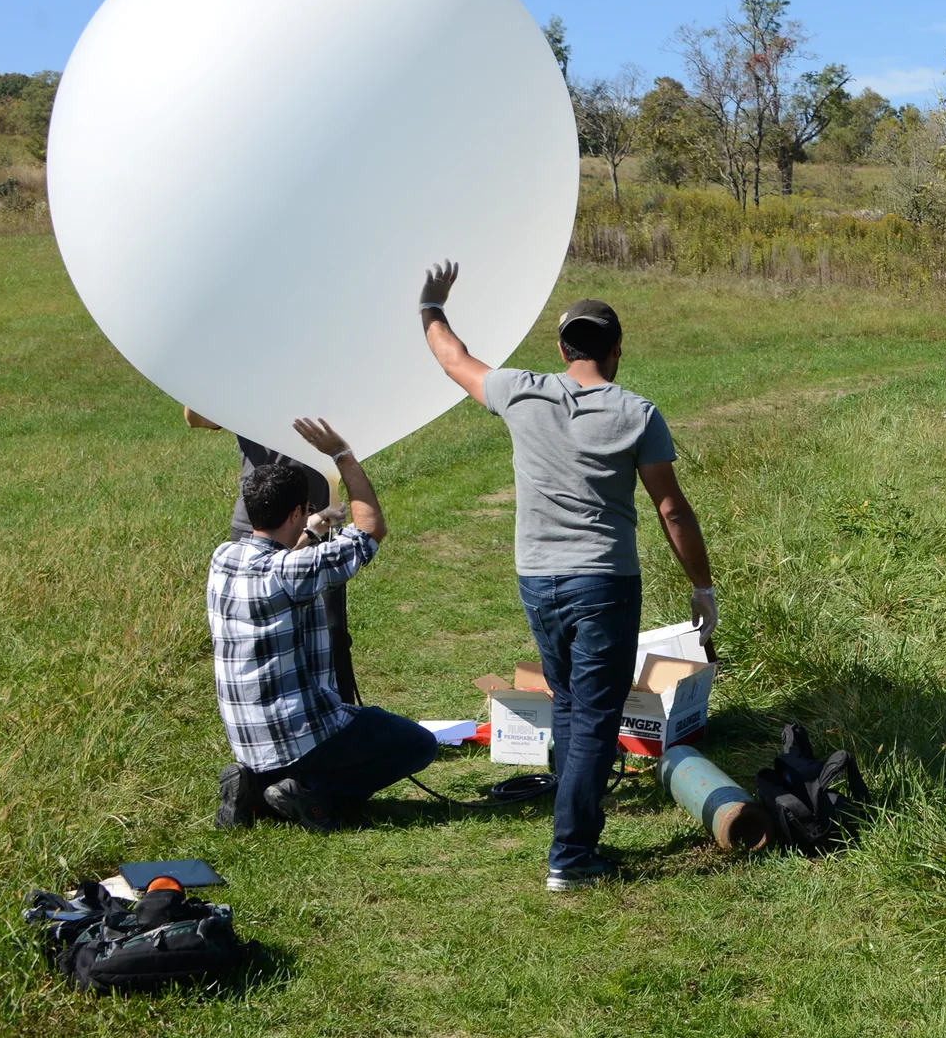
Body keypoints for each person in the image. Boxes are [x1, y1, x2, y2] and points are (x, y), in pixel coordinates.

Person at [416, 262, 717, 892]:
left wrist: (431, 304)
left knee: (574, 706)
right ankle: (572, 855)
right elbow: (671, 509)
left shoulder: (521, 392)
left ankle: (573, 829)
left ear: (561, 349)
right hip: (604, 582)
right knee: (596, 720)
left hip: (537, 580)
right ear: (617, 349)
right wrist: (702, 587)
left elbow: (453, 359)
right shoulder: (638, 413)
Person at [209, 417, 437, 833]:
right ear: (297, 511)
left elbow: (278, 561)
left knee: (350, 733)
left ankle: (255, 787)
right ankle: (312, 792)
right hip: (299, 736)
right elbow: (371, 530)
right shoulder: (290, 572)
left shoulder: (223, 558)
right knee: (417, 745)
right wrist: (341, 454)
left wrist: (310, 534)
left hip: (249, 739)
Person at [184, 408, 360, 703]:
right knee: (262, 636)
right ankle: (270, 714)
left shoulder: (322, 388)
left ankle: (341, 713)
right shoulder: (247, 389)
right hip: (257, 527)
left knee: (330, 633)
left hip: (315, 520)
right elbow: (196, 419)